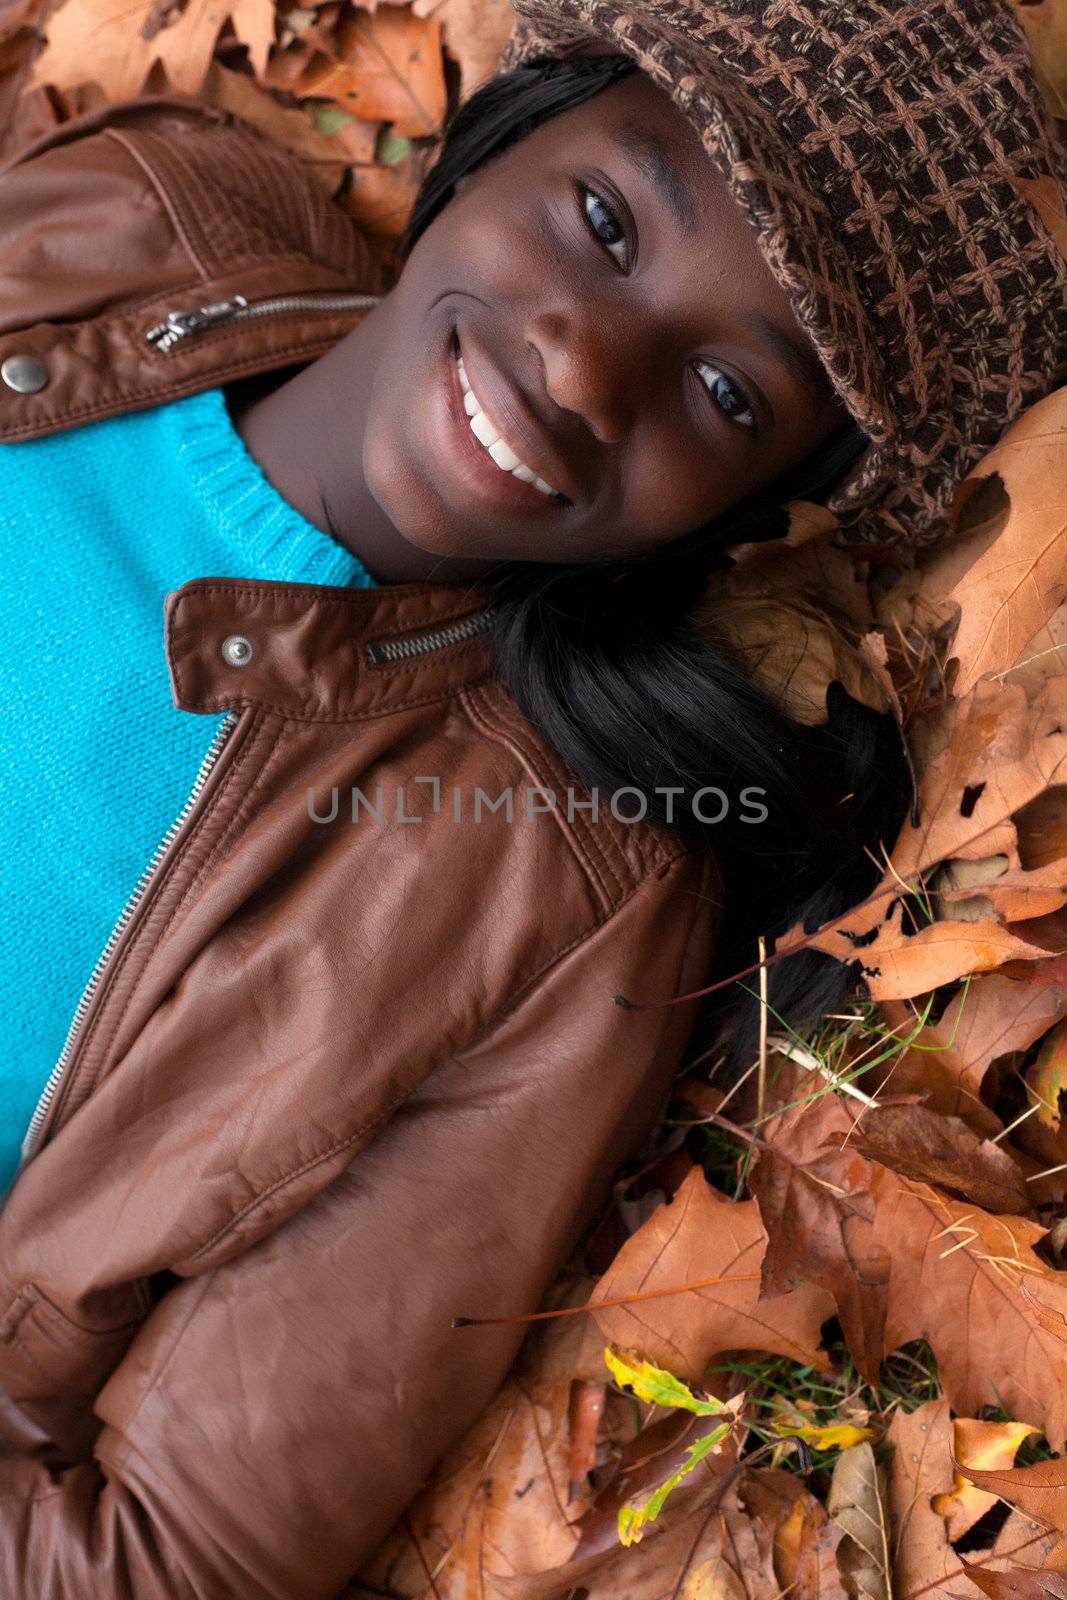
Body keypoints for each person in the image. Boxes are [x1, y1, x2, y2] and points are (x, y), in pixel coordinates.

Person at [0, 0, 1063, 1592]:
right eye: (606, 218)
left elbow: (150, 1559)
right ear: (502, 137)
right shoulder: (149, 204)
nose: (583, 360)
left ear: (749, 508)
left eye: (727, 398)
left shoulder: (549, 898)